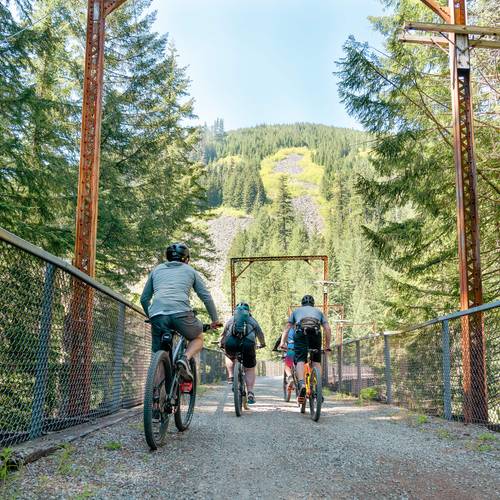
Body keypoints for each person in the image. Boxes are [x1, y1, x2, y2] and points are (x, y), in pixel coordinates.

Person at [140, 242, 221, 381]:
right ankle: (184, 358)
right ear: (186, 259)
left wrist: (151, 316)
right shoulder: (190, 271)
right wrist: (214, 319)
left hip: (158, 316)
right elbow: (206, 297)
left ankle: (156, 397)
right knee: (198, 338)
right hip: (181, 314)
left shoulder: (157, 270)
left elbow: (144, 299)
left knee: (158, 354)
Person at [280, 295, 331, 402]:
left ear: (302, 303)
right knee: (316, 362)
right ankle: (318, 388)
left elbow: (287, 327)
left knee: (300, 360)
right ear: (313, 304)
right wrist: (327, 346)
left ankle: (302, 383)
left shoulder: (296, 312)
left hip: (300, 335)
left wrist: (282, 342)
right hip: (315, 335)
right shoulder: (319, 312)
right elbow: (327, 328)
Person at [220, 302, 266, 404]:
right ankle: (250, 392)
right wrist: (262, 344)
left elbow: (223, 335)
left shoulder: (231, 320)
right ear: (248, 311)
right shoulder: (252, 320)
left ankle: (231, 377)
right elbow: (260, 334)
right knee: (249, 369)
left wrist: (221, 343)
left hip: (231, 343)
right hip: (248, 344)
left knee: (228, 355)